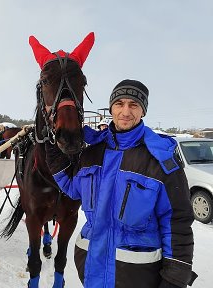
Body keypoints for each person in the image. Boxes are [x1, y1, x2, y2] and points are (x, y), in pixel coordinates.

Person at [45, 79, 197, 288]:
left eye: (133, 105)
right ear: (111, 109)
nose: (126, 111)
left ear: (143, 111)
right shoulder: (91, 153)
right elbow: (73, 189)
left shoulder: (161, 159)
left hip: (137, 277)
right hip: (90, 270)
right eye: (119, 104)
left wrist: (175, 277)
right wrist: (53, 152)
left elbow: (177, 221)